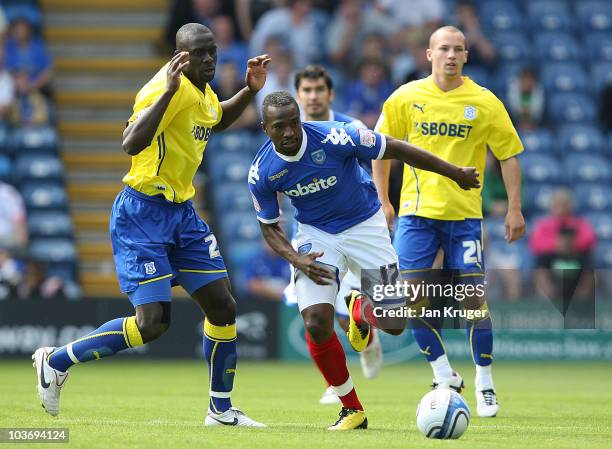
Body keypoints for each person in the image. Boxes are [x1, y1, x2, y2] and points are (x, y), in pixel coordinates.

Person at [32, 23, 269, 427]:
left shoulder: (203, 89)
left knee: (223, 306)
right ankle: (55, 361)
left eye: (213, 51)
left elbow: (213, 120)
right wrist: (169, 94)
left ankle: (221, 409)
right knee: (153, 324)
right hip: (141, 213)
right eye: (201, 53)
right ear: (180, 56)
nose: (210, 58)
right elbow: (131, 142)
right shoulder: (162, 89)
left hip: (182, 213)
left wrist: (249, 90)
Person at [248, 91, 480, 430]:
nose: (288, 132)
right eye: (279, 126)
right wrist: (295, 258)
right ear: (264, 128)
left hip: (366, 226)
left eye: (293, 123)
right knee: (315, 321)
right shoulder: (262, 172)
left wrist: (453, 172)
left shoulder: (335, 135)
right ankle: (352, 410)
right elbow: (269, 228)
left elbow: (396, 147)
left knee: (395, 322)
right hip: (318, 236)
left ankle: (360, 309)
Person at [371, 26, 525, 418]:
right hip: (417, 217)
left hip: (465, 218)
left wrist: (513, 207)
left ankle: (485, 383)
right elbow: (380, 147)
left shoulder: (484, 101)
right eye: (444, 48)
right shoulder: (406, 97)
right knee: (403, 301)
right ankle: (443, 371)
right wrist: (382, 198)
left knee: (473, 302)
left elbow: (507, 153)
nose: (451, 55)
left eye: (458, 49)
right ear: (429, 54)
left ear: (467, 56)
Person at [290, 64, 383, 405]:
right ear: (299, 95)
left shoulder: (350, 127)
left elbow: (372, 168)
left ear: (329, 94)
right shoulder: (288, 130)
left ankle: (369, 333)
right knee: (320, 312)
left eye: (319, 90)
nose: (313, 96)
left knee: (374, 308)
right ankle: (337, 381)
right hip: (314, 231)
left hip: (359, 226)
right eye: (307, 90)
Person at [530, 188, 596, 303]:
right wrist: (558, 244)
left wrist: (568, 245)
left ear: (570, 206)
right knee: (540, 271)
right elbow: (536, 243)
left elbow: (589, 239)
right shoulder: (544, 224)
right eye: (557, 204)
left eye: (564, 204)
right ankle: (549, 302)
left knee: (590, 272)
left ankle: (580, 302)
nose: (560, 208)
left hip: (576, 258)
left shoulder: (579, 223)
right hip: (550, 261)